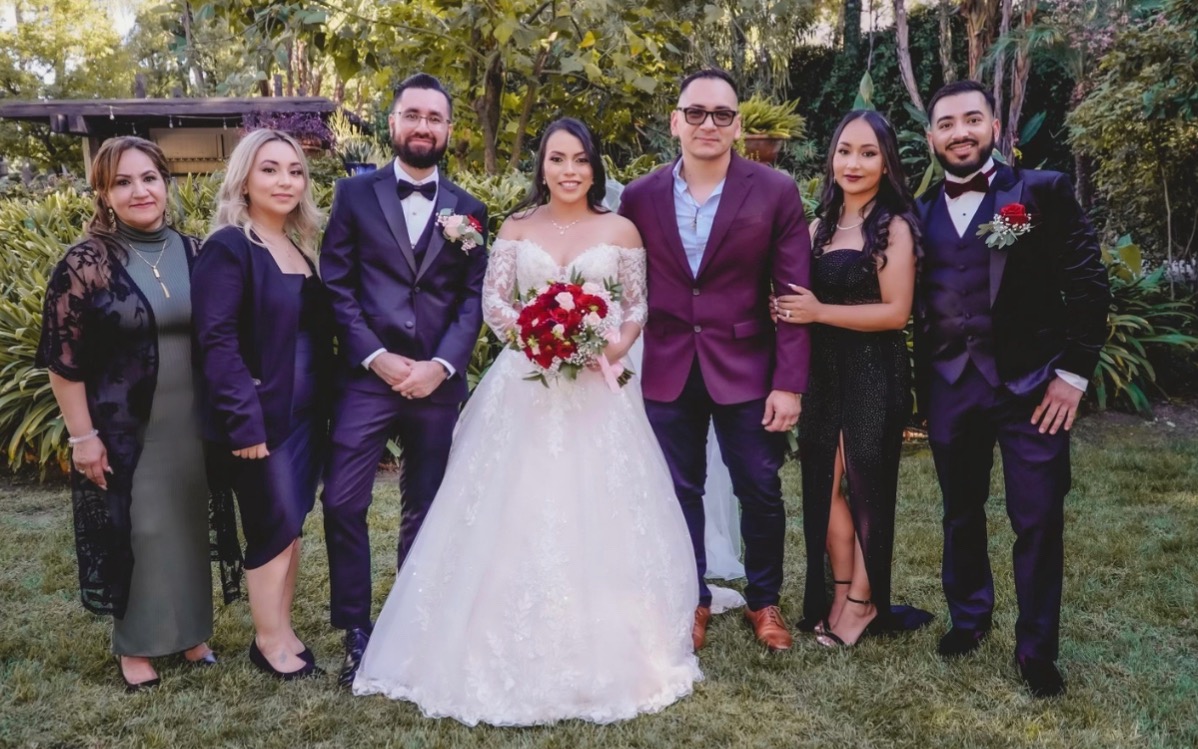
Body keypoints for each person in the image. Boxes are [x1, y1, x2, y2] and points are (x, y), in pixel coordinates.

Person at [352, 118, 701, 725]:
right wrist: (538, 338)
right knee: (508, 503)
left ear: (595, 167)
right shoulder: (516, 226)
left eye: (581, 159)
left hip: (598, 387)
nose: (569, 170)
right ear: (542, 165)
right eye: (557, 158)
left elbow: (636, 305)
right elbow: (494, 301)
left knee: (602, 505)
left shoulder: (620, 229)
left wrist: (609, 347)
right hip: (524, 384)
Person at [915, 80, 1110, 697]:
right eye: (947, 124)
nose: (960, 132)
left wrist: (1072, 375)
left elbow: (1089, 283)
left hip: (1033, 388)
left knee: (1039, 517)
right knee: (960, 511)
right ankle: (969, 617)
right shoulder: (918, 213)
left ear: (995, 128)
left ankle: (1036, 649)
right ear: (931, 137)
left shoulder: (1040, 192)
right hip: (951, 385)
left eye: (972, 119)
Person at [36, 136, 240, 691]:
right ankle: (138, 644)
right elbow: (63, 361)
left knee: (188, 525)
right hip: (128, 426)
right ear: (103, 193)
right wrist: (82, 437)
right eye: (122, 182)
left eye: (149, 178)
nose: (139, 191)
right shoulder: (85, 263)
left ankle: (192, 632)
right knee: (143, 531)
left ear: (165, 183)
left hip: (194, 424)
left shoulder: (197, 252)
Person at [618, 68, 812, 652]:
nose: (709, 123)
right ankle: (692, 598)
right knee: (679, 489)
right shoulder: (639, 196)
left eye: (722, 114)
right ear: (675, 121)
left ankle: (764, 599)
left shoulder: (775, 191)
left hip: (748, 367)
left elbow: (792, 296)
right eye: (696, 112)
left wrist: (789, 384)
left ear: (737, 125)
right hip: (667, 364)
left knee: (760, 487)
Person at [319, 73, 489, 687]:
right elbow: (337, 285)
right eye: (412, 115)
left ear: (449, 129)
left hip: (437, 383)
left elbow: (472, 298)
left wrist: (440, 366)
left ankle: (413, 622)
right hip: (368, 379)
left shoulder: (470, 209)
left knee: (428, 504)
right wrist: (376, 356)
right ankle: (356, 628)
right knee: (342, 501)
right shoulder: (353, 195)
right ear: (392, 123)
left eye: (434, 118)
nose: (423, 126)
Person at [773, 110, 932, 647]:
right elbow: (802, 297)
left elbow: (895, 313)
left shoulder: (895, 227)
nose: (854, 163)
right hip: (823, 373)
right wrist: (788, 309)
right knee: (823, 490)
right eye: (845, 151)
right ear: (832, 158)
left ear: (886, 162)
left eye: (868, 152)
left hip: (873, 371)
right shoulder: (817, 228)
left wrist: (818, 312)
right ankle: (841, 592)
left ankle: (864, 603)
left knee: (866, 489)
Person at [192, 129, 334, 680]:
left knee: (292, 523)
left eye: (295, 171)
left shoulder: (299, 248)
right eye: (270, 169)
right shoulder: (230, 247)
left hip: (307, 418)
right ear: (245, 179)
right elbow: (216, 341)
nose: (285, 181)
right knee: (271, 525)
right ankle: (268, 641)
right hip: (261, 420)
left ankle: (284, 628)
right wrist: (244, 423)